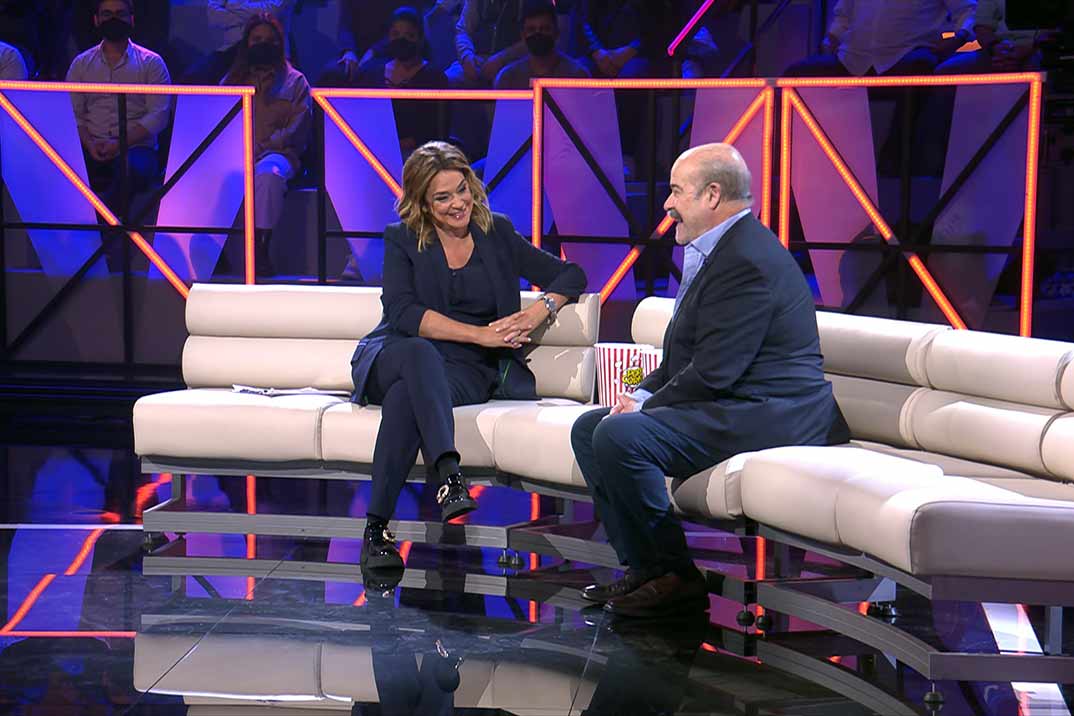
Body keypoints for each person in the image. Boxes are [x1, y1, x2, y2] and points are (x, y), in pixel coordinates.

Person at [570, 144, 849, 618]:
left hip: (773, 412)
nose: (667, 204)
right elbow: (686, 356)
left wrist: (645, 407)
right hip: (736, 400)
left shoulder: (746, 260)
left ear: (712, 195)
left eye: (676, 191)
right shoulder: (722, 250)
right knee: (589, 428)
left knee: (620, 435)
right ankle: (644, 567)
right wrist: (640, 393)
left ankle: (674, 576)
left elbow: (716, 369)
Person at [350, 141, 586, 572]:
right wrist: (480, 334)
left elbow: (571, 274)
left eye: (462, 190)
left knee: (406, 399)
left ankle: (376, 531)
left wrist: (538, 311)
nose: (458, 203)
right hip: (398, 353)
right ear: (423, 202)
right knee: (417, 355)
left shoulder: (497, 232)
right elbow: (403, 313)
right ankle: (449, 475)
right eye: (443, 197)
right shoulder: (402, 238)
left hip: (467, 368)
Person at [65, 0, 172, 243]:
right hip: (90, 145)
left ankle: (100, 232)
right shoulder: (81, 64)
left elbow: (158, 116)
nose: (113, 19)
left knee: (130, 170)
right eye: (107, 14)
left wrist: (119, 144)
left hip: (137, 149)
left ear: (131, 19)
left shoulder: (152, 63)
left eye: (119, 14)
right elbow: (73, 114)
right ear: (96, 20)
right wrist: (90, 143)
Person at [220, 13, 311, 275]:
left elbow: (297, 129)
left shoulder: (296, 81)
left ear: (279, 44)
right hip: (236, 153)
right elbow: (219, 121)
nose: (263, 44)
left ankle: (260, 247)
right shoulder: (231, 80)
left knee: (268, 175)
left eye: (270, 40)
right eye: (257, 39)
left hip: (279, 154)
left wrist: (261, 147)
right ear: (246, 43)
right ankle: (214, 252)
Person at [784, 0, 977, 77]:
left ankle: (899, 152)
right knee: (796, 74)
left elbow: (968, 10)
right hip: (852, 59)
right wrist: (832, 40)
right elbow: (843, 17)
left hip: (906, 55)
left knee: (921, 68)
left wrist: (958, 37)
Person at [354, 7, 448, 156]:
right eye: (395, 34)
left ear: (421, 39)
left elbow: (434, 131)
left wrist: (394, 146)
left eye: (409, 35)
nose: (402, 40)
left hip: (418, 156)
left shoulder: (434, 78)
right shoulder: (371, 73)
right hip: (373, 152)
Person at [184, 0, 295, 85]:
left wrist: (231, 6)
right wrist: (253, 17)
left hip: (268, 50)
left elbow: (272, 11)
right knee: (191, 80)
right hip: (229, 50)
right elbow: (213, 16)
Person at [494, 0, 590, 89]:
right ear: (523, 35)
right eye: (531, 30)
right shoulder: (507, 78)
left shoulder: (577, 76)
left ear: (556, 32)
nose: (538, 34)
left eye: (545, 29)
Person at [936, 0, 1042, 73]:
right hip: (998, 48)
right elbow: (982, 25)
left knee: (1035, 67)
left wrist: (1028, 48)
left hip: (1039, 48)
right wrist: (995, 48)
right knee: (946, 71)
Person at [447, 0, 526, 87]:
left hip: (515, 62)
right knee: (448, 79)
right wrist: (466, 57)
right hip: (478, 59)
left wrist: (502, 58)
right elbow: (463, 31)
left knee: (507, 81)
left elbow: (532, 37)